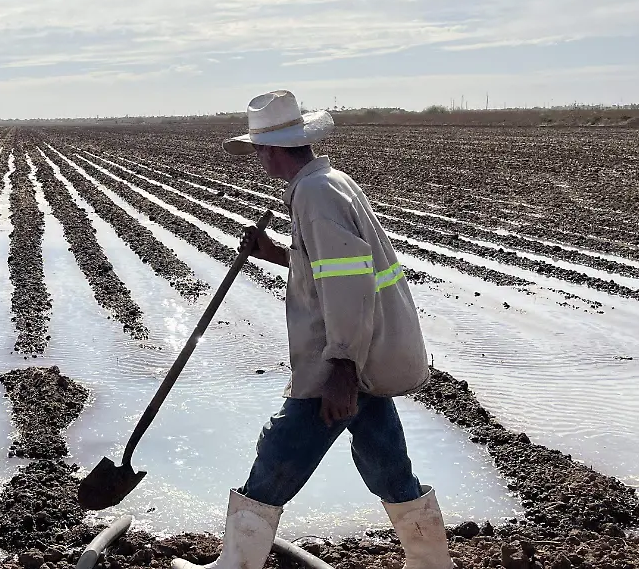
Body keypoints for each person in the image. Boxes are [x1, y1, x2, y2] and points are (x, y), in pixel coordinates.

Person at [172, 91, 454, 569]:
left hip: (340, 359)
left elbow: (347, 284)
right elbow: (329, 266)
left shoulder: (315, 194)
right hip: (361, 354)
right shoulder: (327, 181)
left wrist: (341, 368)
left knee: (280, 451)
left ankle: (236, 564)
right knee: (385, 462)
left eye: (259, 149)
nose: (257, 158)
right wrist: (276, 253)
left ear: (272, 149)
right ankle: (431, 563)